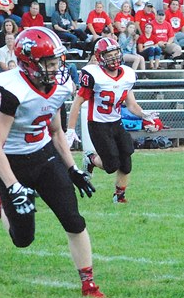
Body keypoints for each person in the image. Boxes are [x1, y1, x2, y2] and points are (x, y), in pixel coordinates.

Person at [0, 27, 102, 298]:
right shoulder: (11, 89)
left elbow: (56, 130)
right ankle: (1, 200)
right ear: (28, 63)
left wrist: (72, 168)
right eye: (49, 63)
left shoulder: (61, 86)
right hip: (12, 162)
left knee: (73, 219)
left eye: (56, 61)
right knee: (22, 239)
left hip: (44, 155)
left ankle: (88, 283)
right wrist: (12, 186)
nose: (56, 68)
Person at [66, 38, 157, 203]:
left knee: (126, 162)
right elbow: (77, 103)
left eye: (116, 54)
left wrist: (143, 114)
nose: (114, 58)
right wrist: (71, 129)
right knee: (111, 165)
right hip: (98, 124)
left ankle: (119, 196)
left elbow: (131, 104)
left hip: (116, 122)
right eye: (109, 55)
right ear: (100, 57)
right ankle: (90, 159)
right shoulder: (94, 75)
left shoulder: (127, 75)